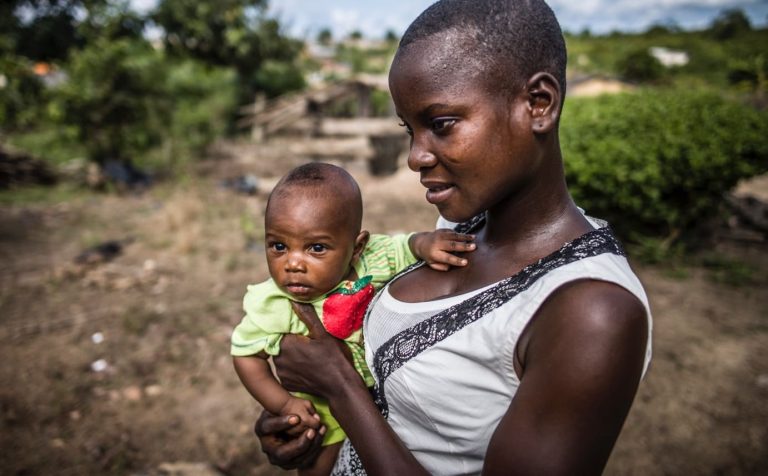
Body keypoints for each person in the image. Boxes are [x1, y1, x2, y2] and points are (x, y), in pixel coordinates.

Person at [254, 0, 653, 474]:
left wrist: (339, 387)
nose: (415, 157)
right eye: (410, 129)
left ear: (538, 104)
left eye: (440, 125)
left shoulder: (591, 311)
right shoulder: (460, 229)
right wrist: (308, 422)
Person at [231, 162, 476, 476]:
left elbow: (405, 247)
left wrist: (424, 244)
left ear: (357, 247)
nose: (293, 263)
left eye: (316, 248)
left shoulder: (371, 261)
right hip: (324, 414)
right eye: (278, 246)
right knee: (320, 467)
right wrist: (283, 404)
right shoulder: (274, 302)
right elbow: (245, 356)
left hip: (390, 403)